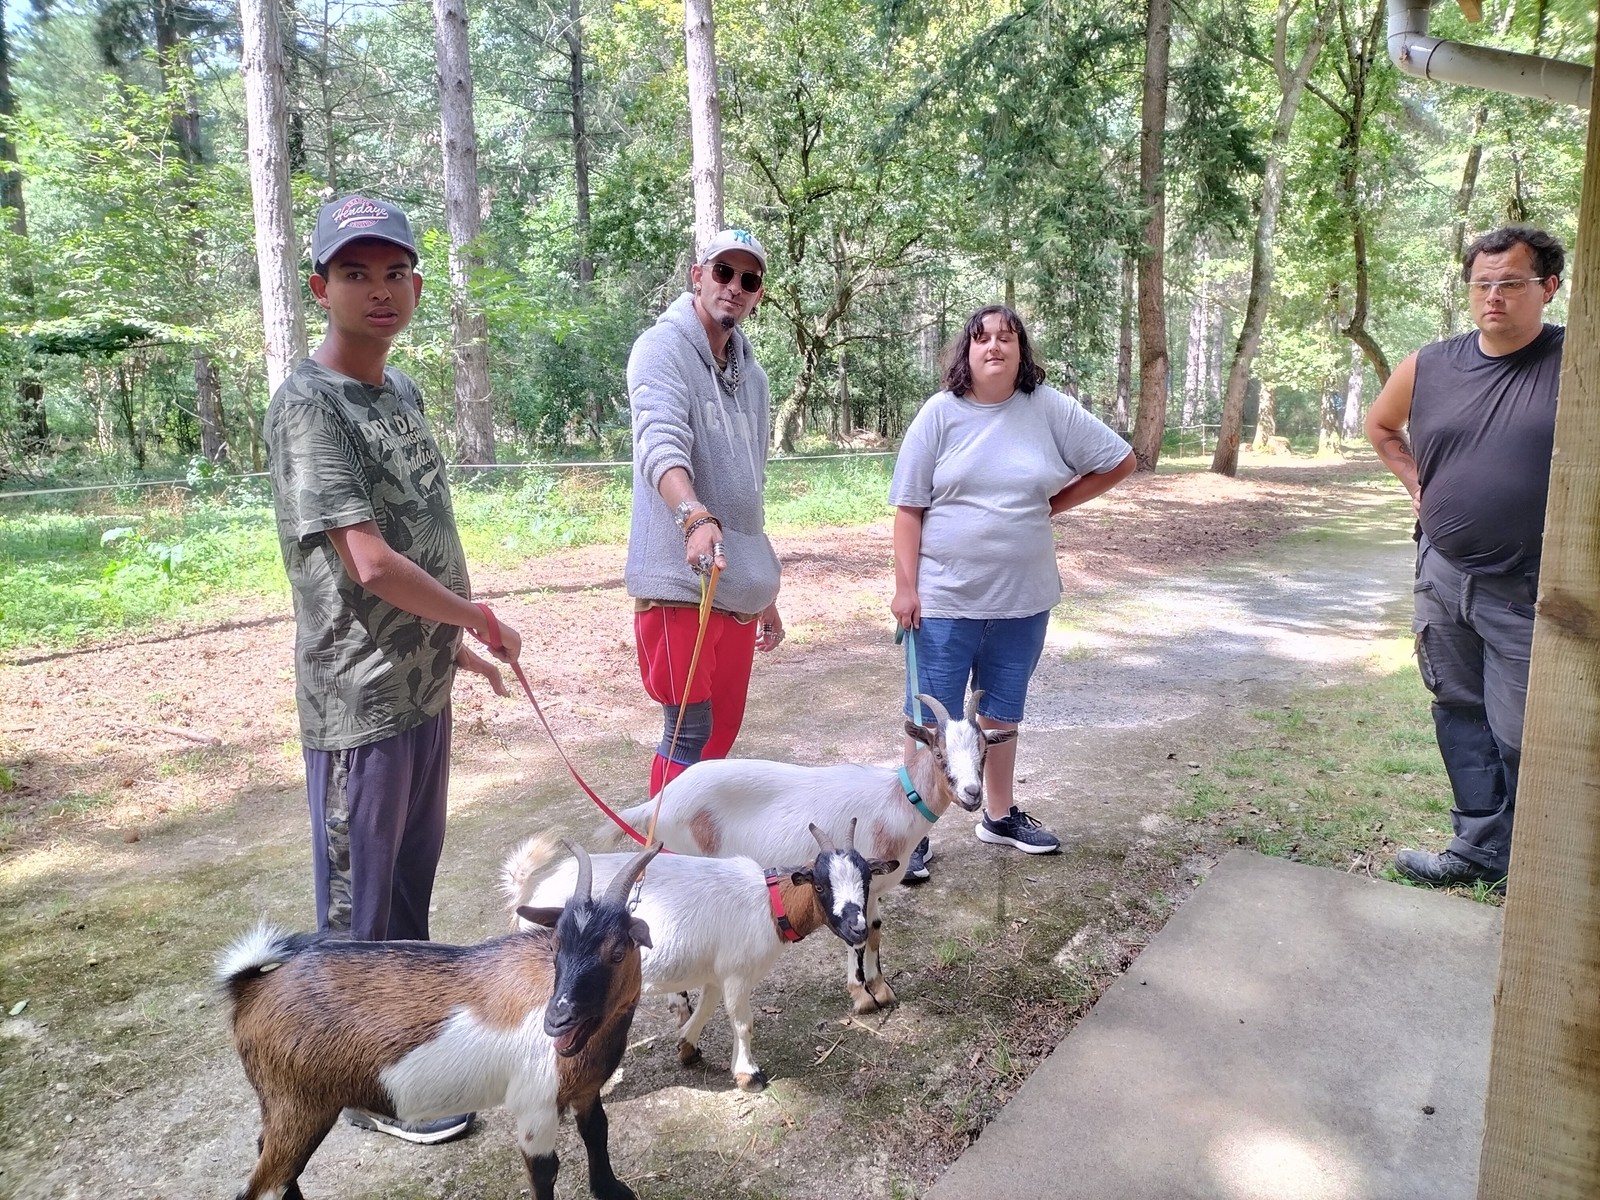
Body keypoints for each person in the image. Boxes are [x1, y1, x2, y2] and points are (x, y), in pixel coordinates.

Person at [264, 194, 521, 1144]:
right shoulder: (307, 406)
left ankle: (405, 1057)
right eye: (356, 272)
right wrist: (481, 617)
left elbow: (414, 542)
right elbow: (366, 562)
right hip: (359, 704)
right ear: (320, 287)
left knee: (410, 888)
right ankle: (362, 1088)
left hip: (422, 691)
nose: (380, 290)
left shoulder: (398, 393)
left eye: (395, 271)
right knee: (357, 913)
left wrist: (455, 644)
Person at [890, 305, 1136, 882]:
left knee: (1001, 714)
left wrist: (1055, 504)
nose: (994, 347)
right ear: (965, 353)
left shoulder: (1047, 408)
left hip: (1023, 598)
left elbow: (1119, 459)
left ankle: (997, 817)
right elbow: (908, 508)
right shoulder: (939, 415)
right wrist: (906, 589)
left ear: (1022, 350)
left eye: (1007, 337)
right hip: (945, 599)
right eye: (982, 339)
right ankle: (914, 829)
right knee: (933, 719)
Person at [1364, 225, 1564, 895]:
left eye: (1512, 282)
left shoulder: (1576, 360)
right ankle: (1479, 850)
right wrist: (1417, 485)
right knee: (1457, 708)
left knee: (1524, 731)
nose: (1495, 297)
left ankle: (1541, 868)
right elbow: (1381, 426)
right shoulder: (1431, 365)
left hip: (1531, 585)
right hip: (1443, 574)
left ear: (1549, 287)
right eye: (1483, 284)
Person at [625, 228, 784, 794]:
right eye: (723, 272)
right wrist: (692, 515)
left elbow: (751, 493)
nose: (734, 287)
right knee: (687, 732)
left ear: (757, 293)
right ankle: (661, 859)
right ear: (698, 276)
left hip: (737, 585)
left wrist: (764, 591)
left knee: (720, 736)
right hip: (680, 581)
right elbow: (658, 441)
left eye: (749, 279)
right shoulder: (660, 348)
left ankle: (697, 852)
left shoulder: (754, 377)